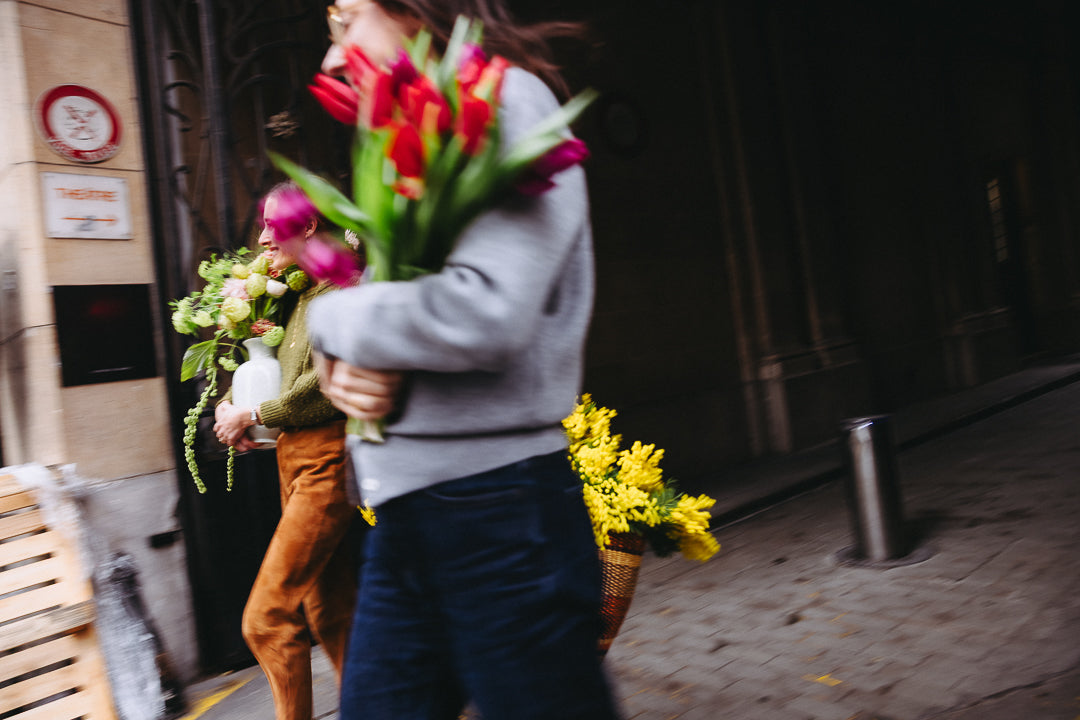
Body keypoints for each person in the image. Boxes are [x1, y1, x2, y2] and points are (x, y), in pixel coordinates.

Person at [306, 2, 619, 719]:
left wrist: (331, 321)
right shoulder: (416, 121)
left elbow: (486, 311)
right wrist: (341, 364)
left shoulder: (501, 96)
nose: (332, 57)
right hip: (410, 517)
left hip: (498, 514)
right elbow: (394, 305)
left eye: (347, 20)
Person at [213, 184, 359, 720]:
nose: (261, 238)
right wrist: (233, 406)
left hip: (327, 464)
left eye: (272, 225)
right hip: (293, 463)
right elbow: (274, 370)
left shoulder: (341, 291)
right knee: (332, 613)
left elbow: (324, 388)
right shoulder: (295, 294)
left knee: (266, 619)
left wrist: (253, 414)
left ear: (309, 226)